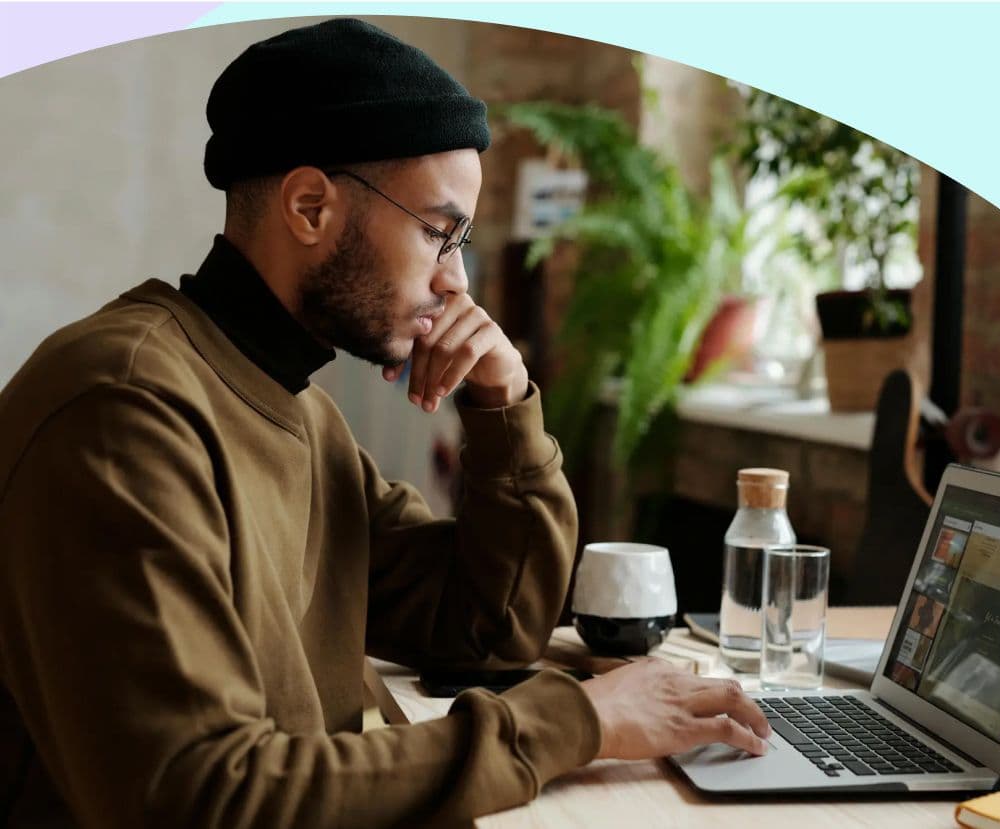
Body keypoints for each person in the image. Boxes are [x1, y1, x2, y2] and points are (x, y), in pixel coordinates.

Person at [0, 18, 767, 828]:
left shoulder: (298, 411)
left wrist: (503, 407)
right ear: (308, 207)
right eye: (439, 233)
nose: (457, 283)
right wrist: (583, 720)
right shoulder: (125, 411)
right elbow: (203, 796)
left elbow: (488, 628)